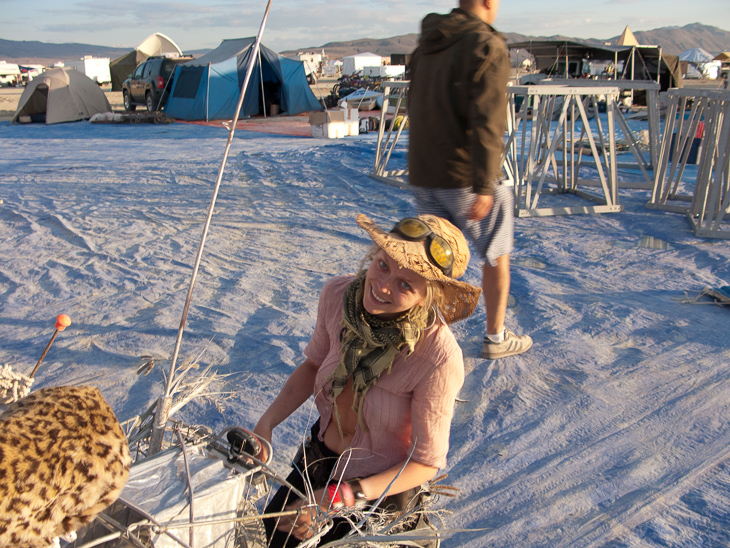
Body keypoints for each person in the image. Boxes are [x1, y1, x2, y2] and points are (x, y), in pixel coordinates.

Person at [254, 213, 481, 547]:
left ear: (427, 296)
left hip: (379, 494)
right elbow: (313, 365)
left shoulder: (438, 357)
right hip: (318, 464)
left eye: (407, 284)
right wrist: (266, 424)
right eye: (383, 265)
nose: (384, 285)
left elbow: (425, 463)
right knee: (270, 536)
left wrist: (344, 495)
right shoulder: (338, 296)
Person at [407, 0, 533, 360]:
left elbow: (416, 104)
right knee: (495, 255)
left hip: (424, 172)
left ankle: (424, 340)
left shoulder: (428, 43)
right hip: (465, 176)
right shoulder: (484, 44)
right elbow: (488, 122)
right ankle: (495, 338)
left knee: (435, 260)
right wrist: (484, 184)